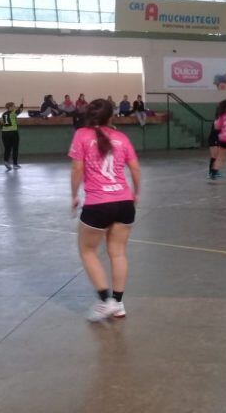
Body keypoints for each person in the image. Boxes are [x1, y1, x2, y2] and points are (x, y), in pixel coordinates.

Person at [69, 98, 141, 321]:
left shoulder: (81, 135)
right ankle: (118, 303)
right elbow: (135, 169)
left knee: (87, 250)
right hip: (124, 202)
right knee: (117, 252)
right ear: (111, 117)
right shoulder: (122, 138)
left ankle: (104, 301)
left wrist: (74, 195)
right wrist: (135, 193)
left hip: (98, 203)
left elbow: (77, 169)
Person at [1, 101, 23, 170]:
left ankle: (6, 161)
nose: (15, 107)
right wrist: (21, 106)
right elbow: (20, 111)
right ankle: (15, 164)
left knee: (7, 148)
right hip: (13, 132)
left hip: (4, 133)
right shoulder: (13, 113)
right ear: (10, 107)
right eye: (13, 106)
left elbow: (1, 122)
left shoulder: (3, 114)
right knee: (15, 148)